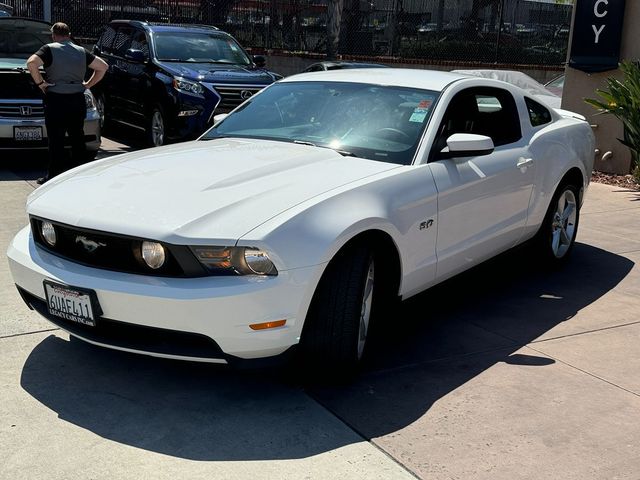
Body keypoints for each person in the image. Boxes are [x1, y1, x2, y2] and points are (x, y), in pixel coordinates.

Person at [27, 22, 108, 184]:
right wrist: (87, 85)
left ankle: (53, 176)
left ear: (53, 35)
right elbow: (103, 67)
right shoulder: (81, 51)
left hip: (56, 99)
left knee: (56, 139)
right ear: (69, 34)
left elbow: (31, 63)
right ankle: (78, 175)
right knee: (77, 137)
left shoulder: (49, 49)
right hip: (77, 100)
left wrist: (41, 83)